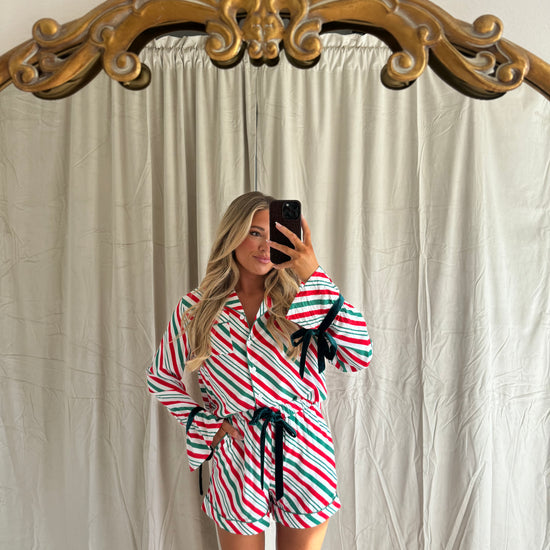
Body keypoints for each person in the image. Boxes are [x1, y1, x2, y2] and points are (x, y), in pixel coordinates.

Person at [147, 191, 372, 550]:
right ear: (233, 234)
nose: (266, 246)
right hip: (237, 452)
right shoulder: (196, 308)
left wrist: (313, 275)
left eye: (275, 235)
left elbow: (358, 356)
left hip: (304, 450)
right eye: (255, 233)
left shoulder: (304, 299)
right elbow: (161, 376)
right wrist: (206, 425)